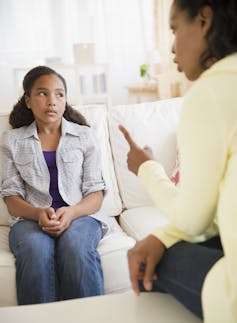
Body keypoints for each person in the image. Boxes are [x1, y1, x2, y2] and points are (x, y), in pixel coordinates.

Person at [119, 0, 237, 322]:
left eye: (174, 29)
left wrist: (146, 167)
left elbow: (193, 220)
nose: (172, 48)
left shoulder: (211, 93)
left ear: (204, 20)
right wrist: (163, 235)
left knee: (150, 259)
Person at [0, 65, 110, 305]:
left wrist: (71, 213)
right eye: (42, 93)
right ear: (28, 100)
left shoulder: (84, 136)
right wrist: (38, 213)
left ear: (65, 100)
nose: (52, 101)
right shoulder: (12, 140)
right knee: (35, 250)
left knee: (76, 247)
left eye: (59, 94)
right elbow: (11, 198)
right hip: (30, 220)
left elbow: (96, 192)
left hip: (81, 216)